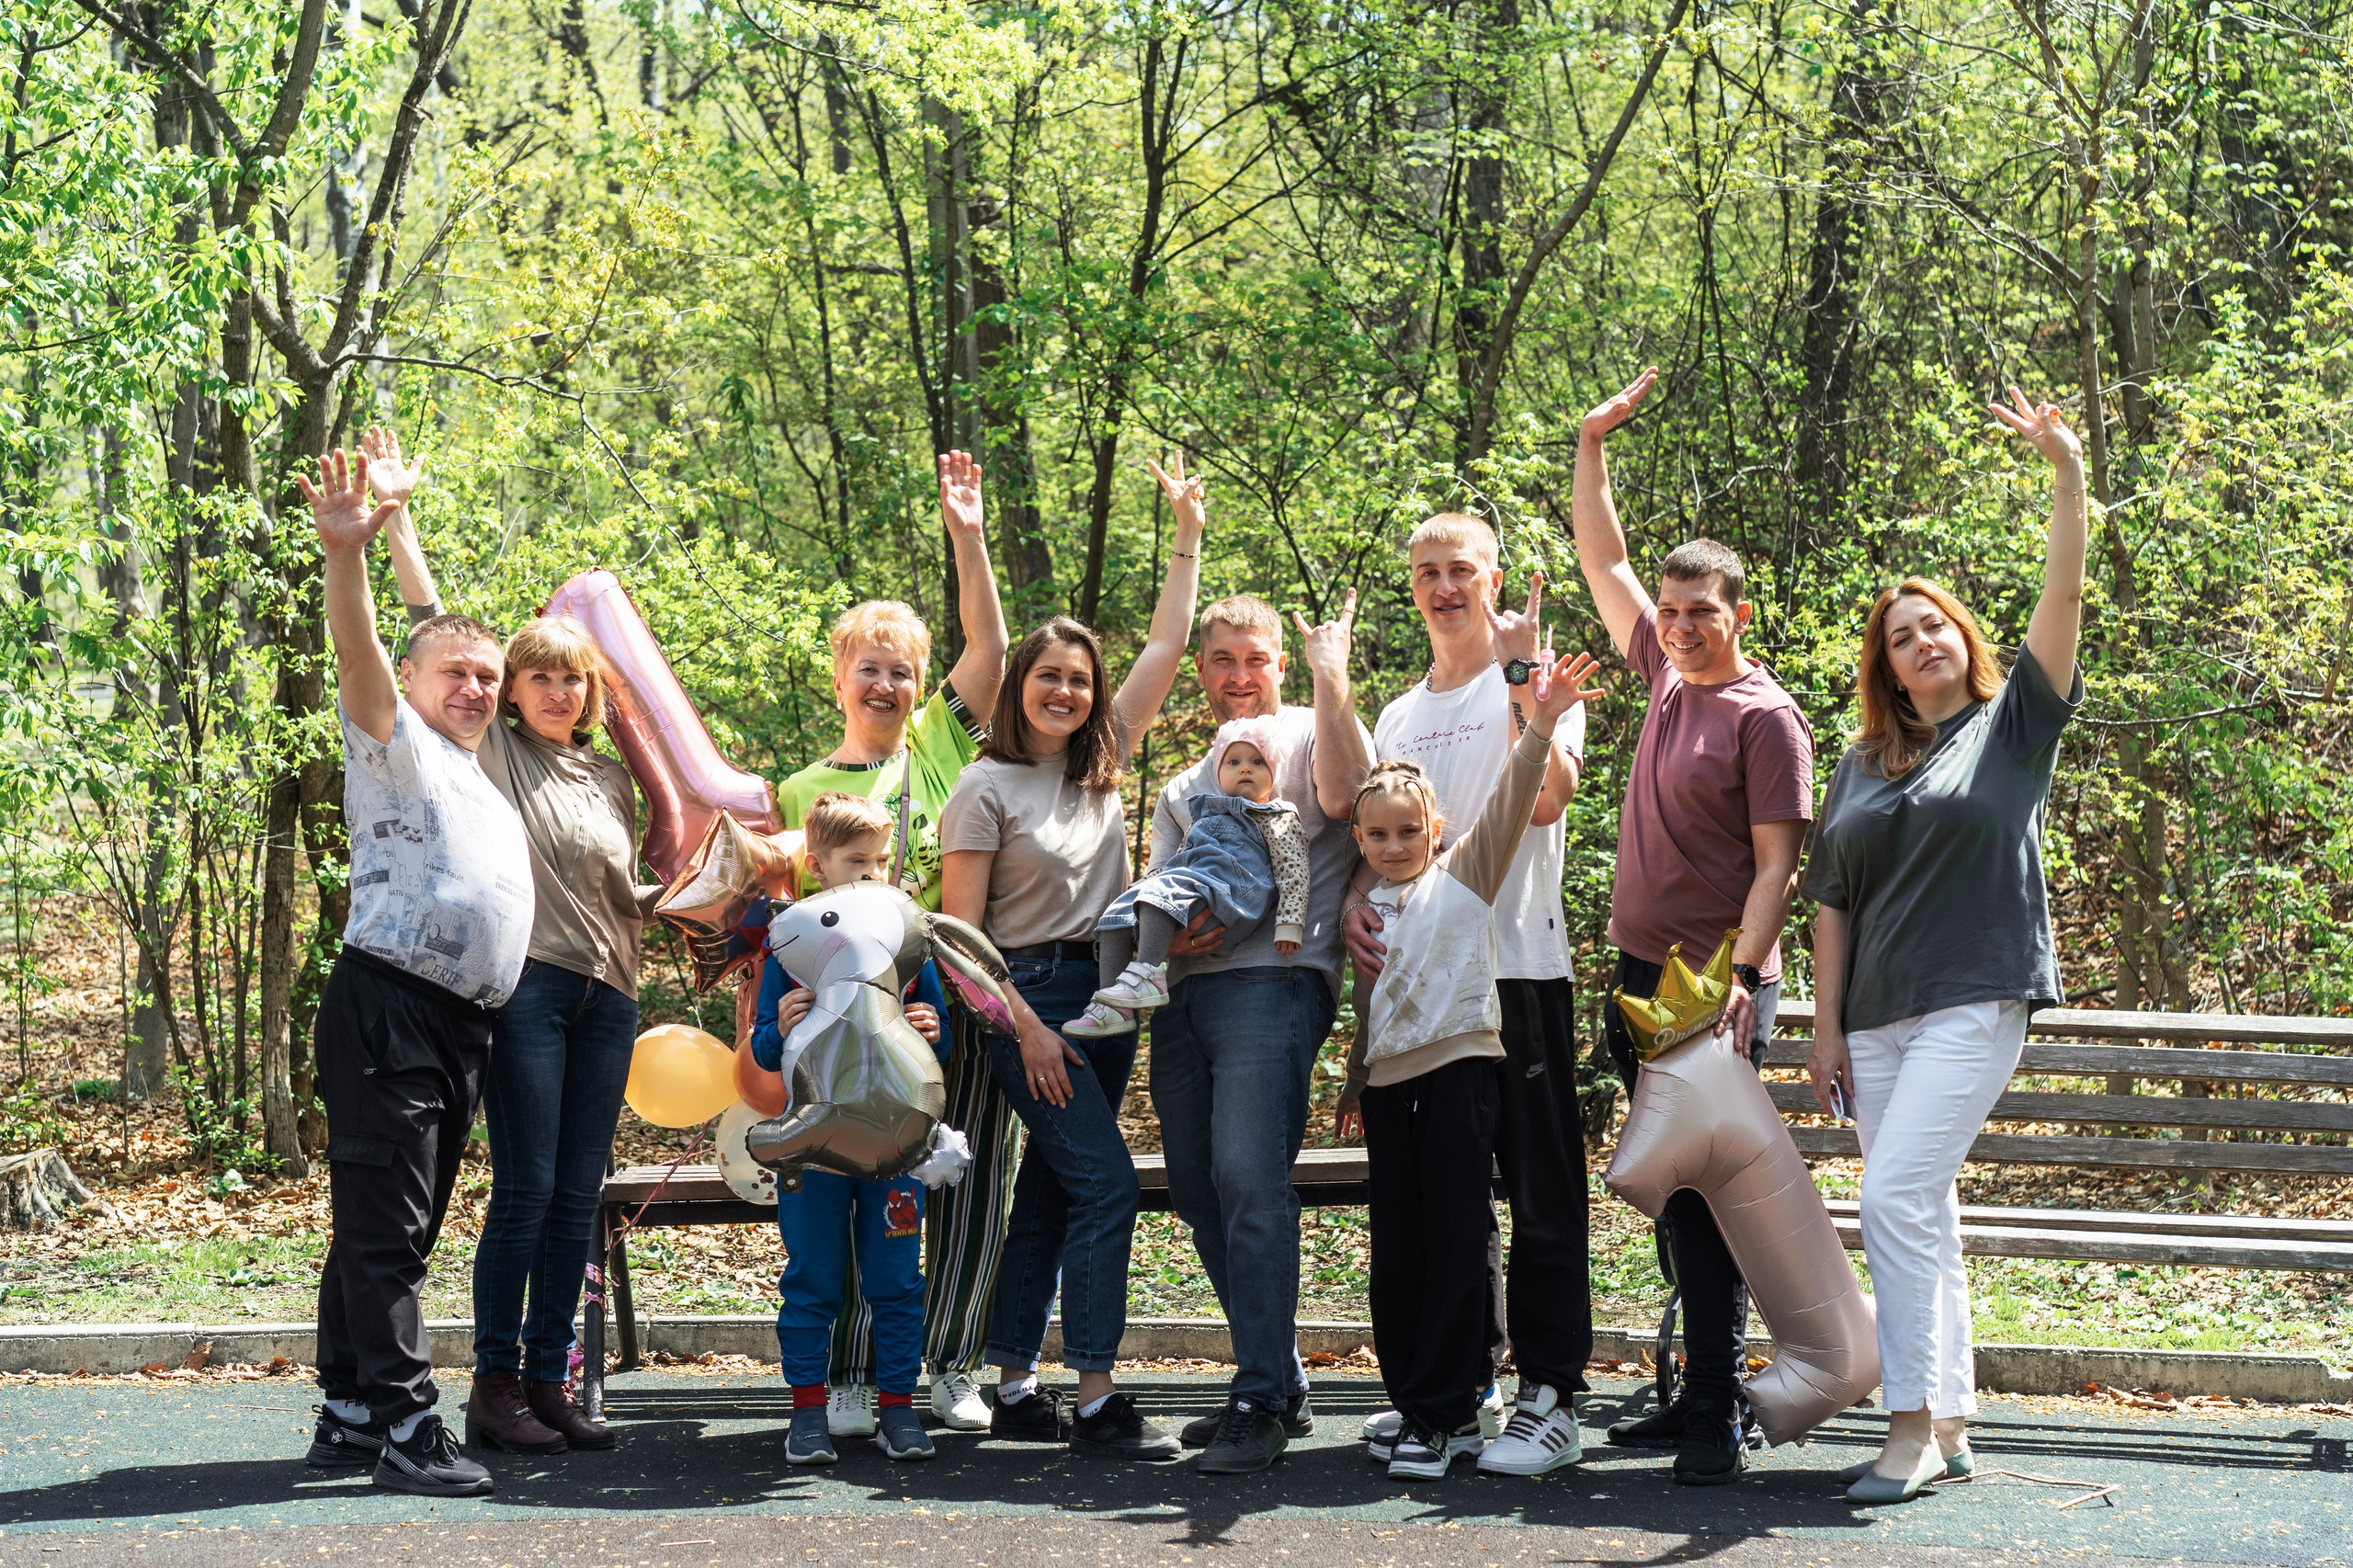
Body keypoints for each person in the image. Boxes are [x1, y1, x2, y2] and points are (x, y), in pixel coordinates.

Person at [1805, 388, 2086, 1504]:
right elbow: (1830, 897)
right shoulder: (1863, 760)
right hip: (1873, 1015)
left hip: (1976, 995)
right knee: (1922, 1207)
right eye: (1897, 635)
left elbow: (2063, 590)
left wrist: (2063, 472)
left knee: (1891, 1198)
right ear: (1883, 663)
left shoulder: (2013, 725)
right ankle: (1955, 1415)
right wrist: (1822, 1030)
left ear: (1961, 640)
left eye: (1934, 625)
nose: (1919, 641)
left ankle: (1910, 1423)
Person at [359, 429, 659, 1457]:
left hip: (612, 995)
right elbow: (433, 629)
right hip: (531, 991)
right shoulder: (491, 751)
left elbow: (631, 887)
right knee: (528, 1184)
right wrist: (395, 521)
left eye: (574, 680)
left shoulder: (612, 778)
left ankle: (550, 1377)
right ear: (512, 692)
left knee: (582, 1191)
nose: (556, 692)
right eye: (538, 678)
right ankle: (495, 1385)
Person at [1571, 370, 1817, 1484]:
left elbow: (1778, 866)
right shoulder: (1664, 676)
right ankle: (1693, 1392)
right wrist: (1590, 444)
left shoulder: (1765, 717)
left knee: (1709, 1200)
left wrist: (1745, 974)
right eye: (1667, 615)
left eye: (1698, 614)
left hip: (1709, 983)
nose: (1675, 628)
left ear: (1738, 616)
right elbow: (1601, 560)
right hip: (1638, 971)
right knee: (1672, 1191)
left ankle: (1717, 1410)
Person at [938, 456, 1207, 1461]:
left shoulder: (1103, 763)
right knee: (1106, 1185)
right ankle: (1095, 1395)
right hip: (1031, 997)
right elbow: (961, 942)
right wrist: (1028, 1027)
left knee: (1054, 1187)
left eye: (1079, 678)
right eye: (1048, 675)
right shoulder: (985, 784)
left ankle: (1016, 1379)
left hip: (1109, 994)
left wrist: (1184, 531)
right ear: (1020, 687)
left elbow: (1170, 641)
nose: (1065, 688)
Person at [295, 447, 531, 1499]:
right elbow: (371, 649)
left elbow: (439, 621)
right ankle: (401, 1420)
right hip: (390, 1001)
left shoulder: (477, 759)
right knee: (388, 1229)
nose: (476, 687)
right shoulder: (395, 738)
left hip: (458, 1020)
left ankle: (349, 1403)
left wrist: (400, 526)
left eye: (490, 675)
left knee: (388, 1223)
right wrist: (348, 552)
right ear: (418, 683)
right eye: (458, 675)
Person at [1343, 516, 1595, 1478]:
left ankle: (1551, 1394)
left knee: (1539, 1192)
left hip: (1518, 970)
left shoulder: (1533, 674)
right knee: (1445, 1205)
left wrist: (1525, 680)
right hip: (1421, 998)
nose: (1445, 586)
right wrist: (1353, 913)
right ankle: (1454, 1389)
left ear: (1490, 577)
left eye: (1461, 570)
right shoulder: (1401, 714)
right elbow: (1383, 840)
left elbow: (1546, 797)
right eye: (1427, 572)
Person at [771, 449, 1010, 1439]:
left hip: (936, 995)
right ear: (838, 677)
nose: (885, 680)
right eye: (866, 665)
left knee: (950, 1183)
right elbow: (786, 930)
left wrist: (967, 533)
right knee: (841, 1174)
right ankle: (851, 1376)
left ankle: (947, 1362)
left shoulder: (937, 748)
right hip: (836, 1023)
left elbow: (990, 649)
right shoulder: (793, 791)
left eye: (901, 668)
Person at [1145, 591, 1373, 1473]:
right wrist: (1169, 936)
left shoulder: (1315, 733)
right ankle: (1275, 1380)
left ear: (1280, 663)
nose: (1240, 678)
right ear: (1202, 670)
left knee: (1249, 1176)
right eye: (1222, 661)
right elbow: (1163, 882)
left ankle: (1256, 1401)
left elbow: (1351, 799)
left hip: (1274, 985)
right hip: (1185, 995)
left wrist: (1333, 678)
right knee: (1201, 1189)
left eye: (1257, 659)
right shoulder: (1185, 781)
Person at [749, 792, 951, 1466]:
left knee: (896, 1280)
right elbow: (764, 1053)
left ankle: (899, 1409)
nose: (871, 875)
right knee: (813, 1278)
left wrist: (929, 1027)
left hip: (894, 1150)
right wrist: (780, 1023)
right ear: (817, 864)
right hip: (812, 1149)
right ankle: (808, 1413)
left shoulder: (905, 942)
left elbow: (938, 1041)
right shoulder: (793, 942)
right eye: (855, 861)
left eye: (879, 861)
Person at [1067, 716, 1308, 1038]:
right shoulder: (1203, 813)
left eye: (1258, 762)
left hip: (1236, 896)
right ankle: (1113, 1009)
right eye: (1234, 761)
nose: (1245, 769)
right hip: (1195, 891)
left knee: (1159, 893)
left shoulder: (1276, 815)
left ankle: (1149, 974)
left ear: (1273, 773)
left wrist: (1290, 922)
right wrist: (1145, 891)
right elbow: (1182, 861)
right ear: (1218, 772)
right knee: (1119, 911)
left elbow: (1293, 867)